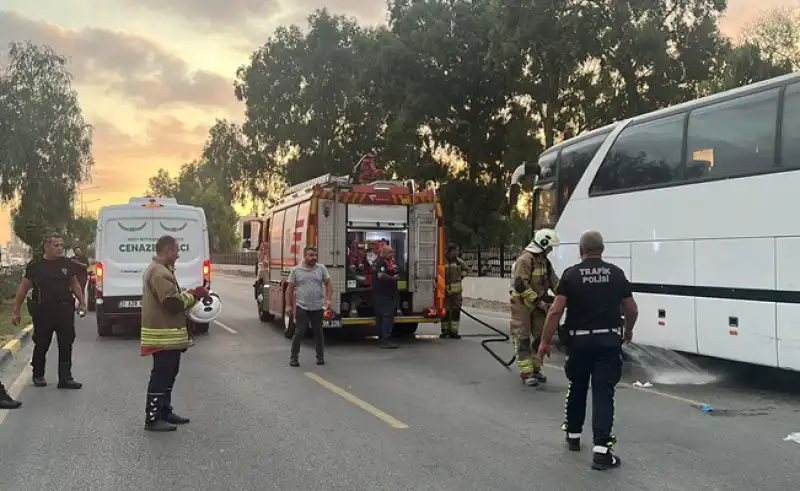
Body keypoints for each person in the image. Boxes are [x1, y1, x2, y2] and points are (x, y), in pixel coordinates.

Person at [537, 230, 638, 471]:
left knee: (578, 387)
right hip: (608, 344)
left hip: (579, 344)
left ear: (581, 251)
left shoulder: (571, 275)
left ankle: (573, 435)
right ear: (601, 250)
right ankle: (602, 451)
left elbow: (555, 311)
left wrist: (544, 342)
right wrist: (629, 330)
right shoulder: (616, 273)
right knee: (603, 393)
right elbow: (632, 309)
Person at [140, 235, 208, 432]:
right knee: (161, 376)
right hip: (162, 334)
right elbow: (171, 302)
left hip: (168, 334)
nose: (178, 255)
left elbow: (173, 297)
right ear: (168, 249)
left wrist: (190, 294)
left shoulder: (162, 270)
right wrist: (194, 295)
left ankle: (164, 411)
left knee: (170, 374)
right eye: (176, 250)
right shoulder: (159, 272)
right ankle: (152, 418)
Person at [11, 233, 86, 389]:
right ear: (46, 246)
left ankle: (65, 378)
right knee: (42, 343)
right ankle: (38, 374)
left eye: (60, 245)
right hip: (43, 312)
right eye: (56, 245)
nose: (59, 248)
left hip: (64, 311)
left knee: (66, 343)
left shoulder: (66, 264)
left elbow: (74, 284)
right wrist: (16, 310)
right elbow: (23, 288)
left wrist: (82, 301)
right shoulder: (36, 265)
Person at [509, 228, 560, 387]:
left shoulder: (545, 262)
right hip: (522, 303)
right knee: (522, 337)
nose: (550, 250)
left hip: (538, 303)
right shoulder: (525, 260)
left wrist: (562, 297)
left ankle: (536, 369)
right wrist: (538, 301)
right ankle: (526, 372)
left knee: (540, 336)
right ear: (543, 244)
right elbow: (519, 284)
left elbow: (554, 282)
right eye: (549, 247)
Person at [286, 246, 332, 367]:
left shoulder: (321, 269)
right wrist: (288, 305)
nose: (314, 258)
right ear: (304, 255)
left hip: (317, 307)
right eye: (311, 255)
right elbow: (290, 288)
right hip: (302, 307)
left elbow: (328, 283)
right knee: (300, 332)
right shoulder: (296, 270)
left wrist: (328, 300)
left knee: (318, 332)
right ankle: (294, 358)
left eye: (315, 255)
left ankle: (320, 357)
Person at [372, 245, 399, 349]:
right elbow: (381, 275)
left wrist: (393, 270)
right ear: (384, 253)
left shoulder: (378, 262)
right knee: (387, 317)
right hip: (384, 296)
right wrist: (393, 278)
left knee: (380, 319)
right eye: (390, 252)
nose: (392, 254)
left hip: (379, 296)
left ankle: (381, 339)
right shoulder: (381, 263)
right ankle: (385, 341)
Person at [441, 243, 468, 339]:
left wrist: (461, 276)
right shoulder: (442, 261)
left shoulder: (459, 262)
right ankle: (445, 331)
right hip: (444, 293)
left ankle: (454, 332)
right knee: (445, 312)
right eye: (456, 250)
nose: (457, 252)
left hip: (456, 293)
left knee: (456, 312)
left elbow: (466, 269)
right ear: (450, 251)